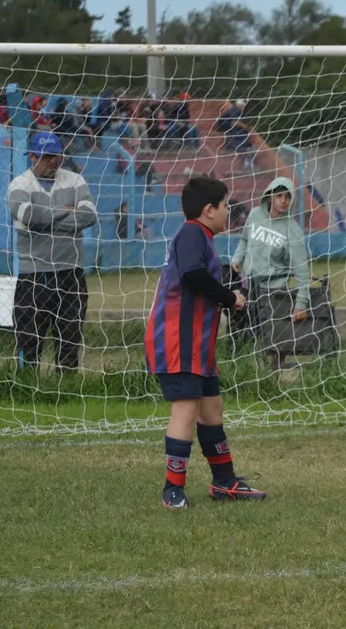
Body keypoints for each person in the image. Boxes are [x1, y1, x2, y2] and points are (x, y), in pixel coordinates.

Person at [145, 175, 266, 508]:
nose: (228, 212)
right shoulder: (191, 233)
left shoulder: (201, 236)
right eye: (226, 206)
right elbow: (192, 275)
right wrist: (230, 297)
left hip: (198, 345)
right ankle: (172, 490)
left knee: (212, 410)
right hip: (178, 342)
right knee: (185, 410)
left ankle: (225, 481)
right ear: (209, 209)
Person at [7, 132, 97, 372]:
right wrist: (67, 211)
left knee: (70, 335)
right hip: (35, 275)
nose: (53, 162)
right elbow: (27, 215)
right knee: (29, 337)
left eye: (56, 156)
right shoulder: (19, 185)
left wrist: (46, 217)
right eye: (47, 157)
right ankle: (26, 386)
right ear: (33, 157)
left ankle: (66, 387)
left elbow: (88, 216)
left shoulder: (75, 180)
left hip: (71, 273)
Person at [230, 176, 310, 325]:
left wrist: (301, 303)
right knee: (242, 328)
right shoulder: (255, 215)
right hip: (248, 285)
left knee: (268, 335)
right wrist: (236, 258)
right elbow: (244, 241)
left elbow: (301, 270)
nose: (283, 200)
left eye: (287, 196)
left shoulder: (293, 231)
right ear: (270, 196)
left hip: (274, 291)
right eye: (279, 195)